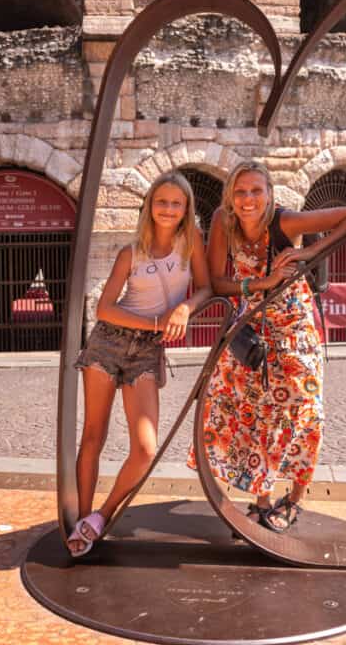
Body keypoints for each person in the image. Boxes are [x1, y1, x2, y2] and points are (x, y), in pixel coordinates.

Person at [192, 161, 346, 532]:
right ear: (230, 196)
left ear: (270, 194)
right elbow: (217, 280)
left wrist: (309, 252)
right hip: (251, 329)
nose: (248, 199)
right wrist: (261, 284)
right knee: (254, 411)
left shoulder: (285, 222)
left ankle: (294, 498)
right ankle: (260, 499)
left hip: (293, 328)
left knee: (303, 410)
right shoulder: (224, 222)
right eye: (240, 192)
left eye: (256, 191)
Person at [68, 170, 211, 556]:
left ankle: (102, 515)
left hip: (148, 352)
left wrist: (183, 307)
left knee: (146, 449)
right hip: (108, 343)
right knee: (93, 435)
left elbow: (208, 286)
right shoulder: (131, 252)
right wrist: (154, 322)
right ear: (150, 206)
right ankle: (83, 520)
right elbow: (104, 308)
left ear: (186, 210)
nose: (168, 209)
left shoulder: (191, 243)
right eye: (161, 202)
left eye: (176, 204)